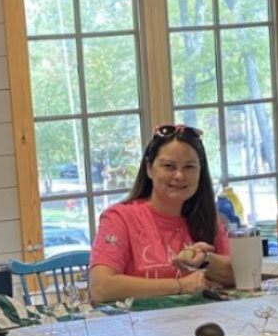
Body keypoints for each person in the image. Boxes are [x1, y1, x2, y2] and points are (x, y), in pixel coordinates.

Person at [87, 124, 233, 303]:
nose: (179, 175)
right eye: (169, 166)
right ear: (149, 168)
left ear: (201, 172)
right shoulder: (119, 218)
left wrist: (206, 260)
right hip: (138, 328)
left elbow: (243, 275)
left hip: (204, 325)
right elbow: (101, 287)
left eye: (189, 167)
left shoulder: (209, 218)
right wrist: (181, 286)